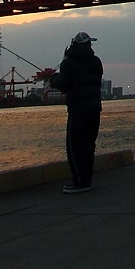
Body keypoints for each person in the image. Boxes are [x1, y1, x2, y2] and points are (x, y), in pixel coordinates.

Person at [49, 31, 103, 193]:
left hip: (78, 110)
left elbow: (64, 82)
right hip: (94, 110)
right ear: (87, 45)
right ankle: (86, 180)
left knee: (74, 147)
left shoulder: (68, 63)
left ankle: (79, 182)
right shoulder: (96, 62)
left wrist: (52, 79)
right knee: (88, 146)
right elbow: (91, 80)